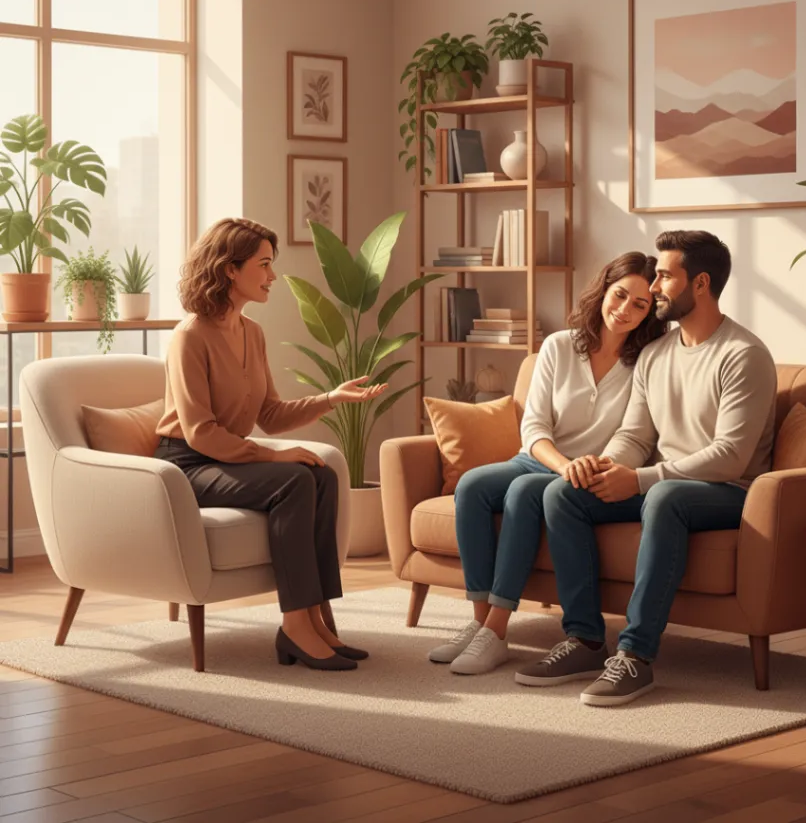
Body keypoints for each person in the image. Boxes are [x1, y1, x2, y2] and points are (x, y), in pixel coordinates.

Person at [516, 230, 776, 706]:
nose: (653, 287)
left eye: (663, 276)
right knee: (562, 494)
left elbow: (730, 456)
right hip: (664, 485)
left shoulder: (743, 356)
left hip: (729, 491)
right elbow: (636, 436)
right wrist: (603, 468)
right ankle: (586, 640)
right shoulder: (656, 354)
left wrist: (639, 479)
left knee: (664, 495)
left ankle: (635, 657)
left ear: (699, 284)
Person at [155, 218, 387, 672]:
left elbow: (271, 415)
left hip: (227, 456)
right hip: (186, 463)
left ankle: (316, 620)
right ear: (229, 270)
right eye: (263, 265)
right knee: (293, 481)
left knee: (318, 474)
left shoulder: (252, 332)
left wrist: (330, 398)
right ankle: (294, 626)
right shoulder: (189, 337)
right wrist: (272, 456)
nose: (272, 276)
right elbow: (200, 432)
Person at [428, 252, 667, 675]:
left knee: (522, 493)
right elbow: (535, 427)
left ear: (649, 313)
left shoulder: (645, 362)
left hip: (589, 470)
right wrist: (562, 466)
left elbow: (634, 435)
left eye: (639, 304)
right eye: (620, 295)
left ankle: (497, 631)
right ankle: (481, 622)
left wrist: (595, 466)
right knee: (472, 485)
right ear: (603, 291)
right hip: (541, 460)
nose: (624, 309)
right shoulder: (559, 345)